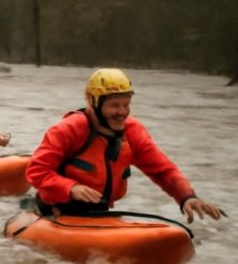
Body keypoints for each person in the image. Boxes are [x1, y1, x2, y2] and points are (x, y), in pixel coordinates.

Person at [26, 67, 225, 222]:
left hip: (99, 212)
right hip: (56, 210)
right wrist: (71, 188)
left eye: (126, 104)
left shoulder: (132, 131)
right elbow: (35, 171)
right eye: (114, 105)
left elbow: (162, 171)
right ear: (95, 103)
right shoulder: (68, 129)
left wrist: (187, 197)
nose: (122, 112)